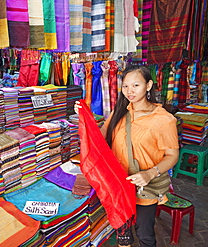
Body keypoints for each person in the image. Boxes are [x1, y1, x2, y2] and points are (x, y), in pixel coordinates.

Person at [74, 65, 179, 247]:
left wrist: (150, 173)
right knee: (123, 233)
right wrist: (85, 117)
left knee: (144, 233)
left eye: (135, 85)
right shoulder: (120, 111)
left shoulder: (164, 119)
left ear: (148, 85)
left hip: (143, 187)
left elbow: (172, 155)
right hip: (118, 185)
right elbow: (100, 136)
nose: (129, 91)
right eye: (125, 86)